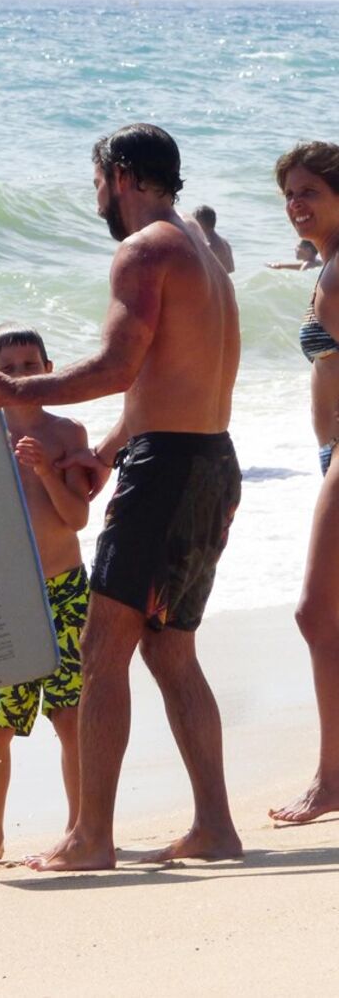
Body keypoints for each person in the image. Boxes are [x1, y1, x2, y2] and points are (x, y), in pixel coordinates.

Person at [0, 123, 242, 869]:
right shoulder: (205, 251)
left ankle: (91, 837)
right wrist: (106, 454)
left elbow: (118, 366)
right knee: (170, 649)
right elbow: (171, 380)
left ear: (119, 176)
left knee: (100, 649)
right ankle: (215, 826)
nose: (96, 203)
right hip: (210, 460)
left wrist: (15, 389)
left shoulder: (144, 249)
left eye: (96, 186)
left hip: (168, 470)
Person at [0, 325, 91, 869]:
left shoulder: (66, 432)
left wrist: (44, 471)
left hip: (66, 590)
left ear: (49, 368)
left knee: (70, 716)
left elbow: (77, 518)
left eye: (31, 365)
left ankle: (80, 827)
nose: (21, 375)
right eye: (8, 369)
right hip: (7, 595)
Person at [268, 142, 339, 824]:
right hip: (330, 454)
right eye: (289, 193)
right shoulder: (327, 265)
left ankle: (332, 779)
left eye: (309, 191)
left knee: (316, 613)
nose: (296, 204)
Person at [193, 204, 235, 273]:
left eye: (194, 221)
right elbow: (231, 269)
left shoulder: (208, 245)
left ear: (200, 222)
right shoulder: (225, 243)